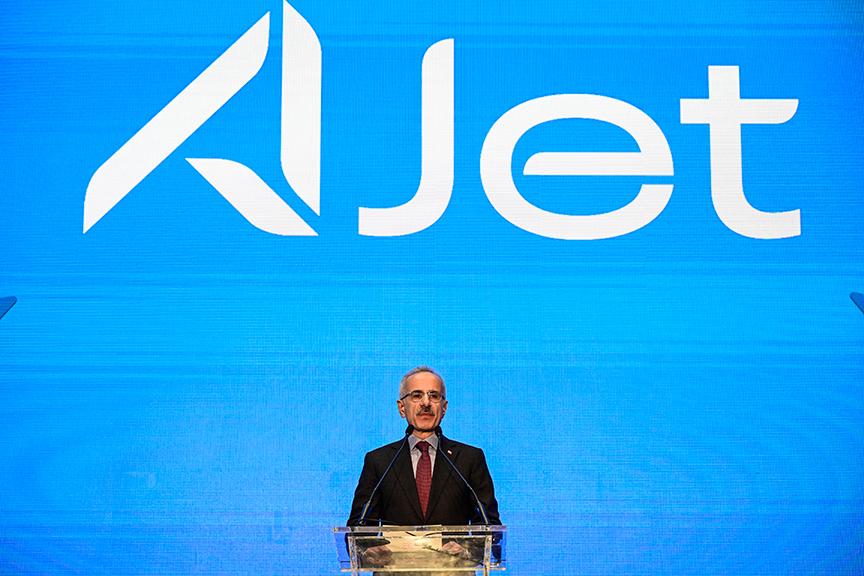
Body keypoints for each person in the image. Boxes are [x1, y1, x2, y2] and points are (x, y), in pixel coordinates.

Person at [346, 367, 501, 568]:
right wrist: (367, 552)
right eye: (417, 395)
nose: (426, 403)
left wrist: (467, 551)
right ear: (402, 407)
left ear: (444, 408)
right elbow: (358, 528)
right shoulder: (379, 461)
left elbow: (490, 528)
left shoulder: (469, 459)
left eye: (434, 396)